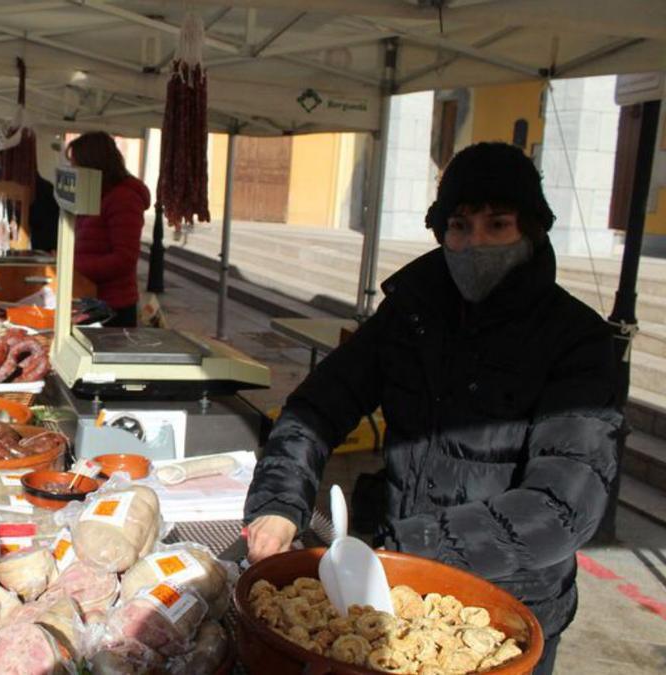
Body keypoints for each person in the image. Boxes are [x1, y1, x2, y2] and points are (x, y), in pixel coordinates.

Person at [243, 143, 621, 674]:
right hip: (399, 591)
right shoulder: (413, 315)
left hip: (507, 611)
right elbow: (316, 406)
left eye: (498, 224)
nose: (475, 244)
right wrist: (280, 503)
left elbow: (563, 507)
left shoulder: (576, 340)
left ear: (531, 231)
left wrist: (409, 544)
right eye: (460, 226)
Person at [67, 131, 151, 328]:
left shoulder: (123, 199)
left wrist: (77, 267)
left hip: (113, 306)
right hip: (90, 298)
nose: (73, 169)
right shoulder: (95, 194)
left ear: (92, 164)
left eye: (76, 163)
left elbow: (124, 257)